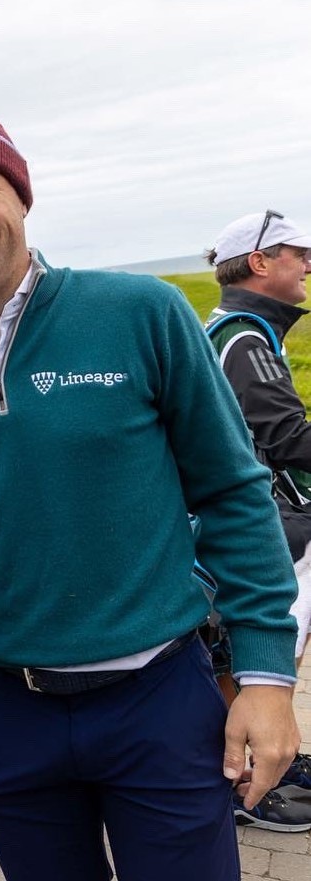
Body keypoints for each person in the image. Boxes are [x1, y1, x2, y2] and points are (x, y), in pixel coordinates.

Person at [0, 112, 303, 880]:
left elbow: (232, 491)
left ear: (19, 197)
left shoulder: (139, 313)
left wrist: (263, 675)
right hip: (5, 705)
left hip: (156, 697)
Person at [204, 211, 311, 820]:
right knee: (269, 652)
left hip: (232, 516)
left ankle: (258, 764)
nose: (307, 266)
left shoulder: (225, 326)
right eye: (300, 252)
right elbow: (285, 437)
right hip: (268, 519)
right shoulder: (247, 337)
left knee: (229, 647)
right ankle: (251, 781)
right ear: (261, 262)